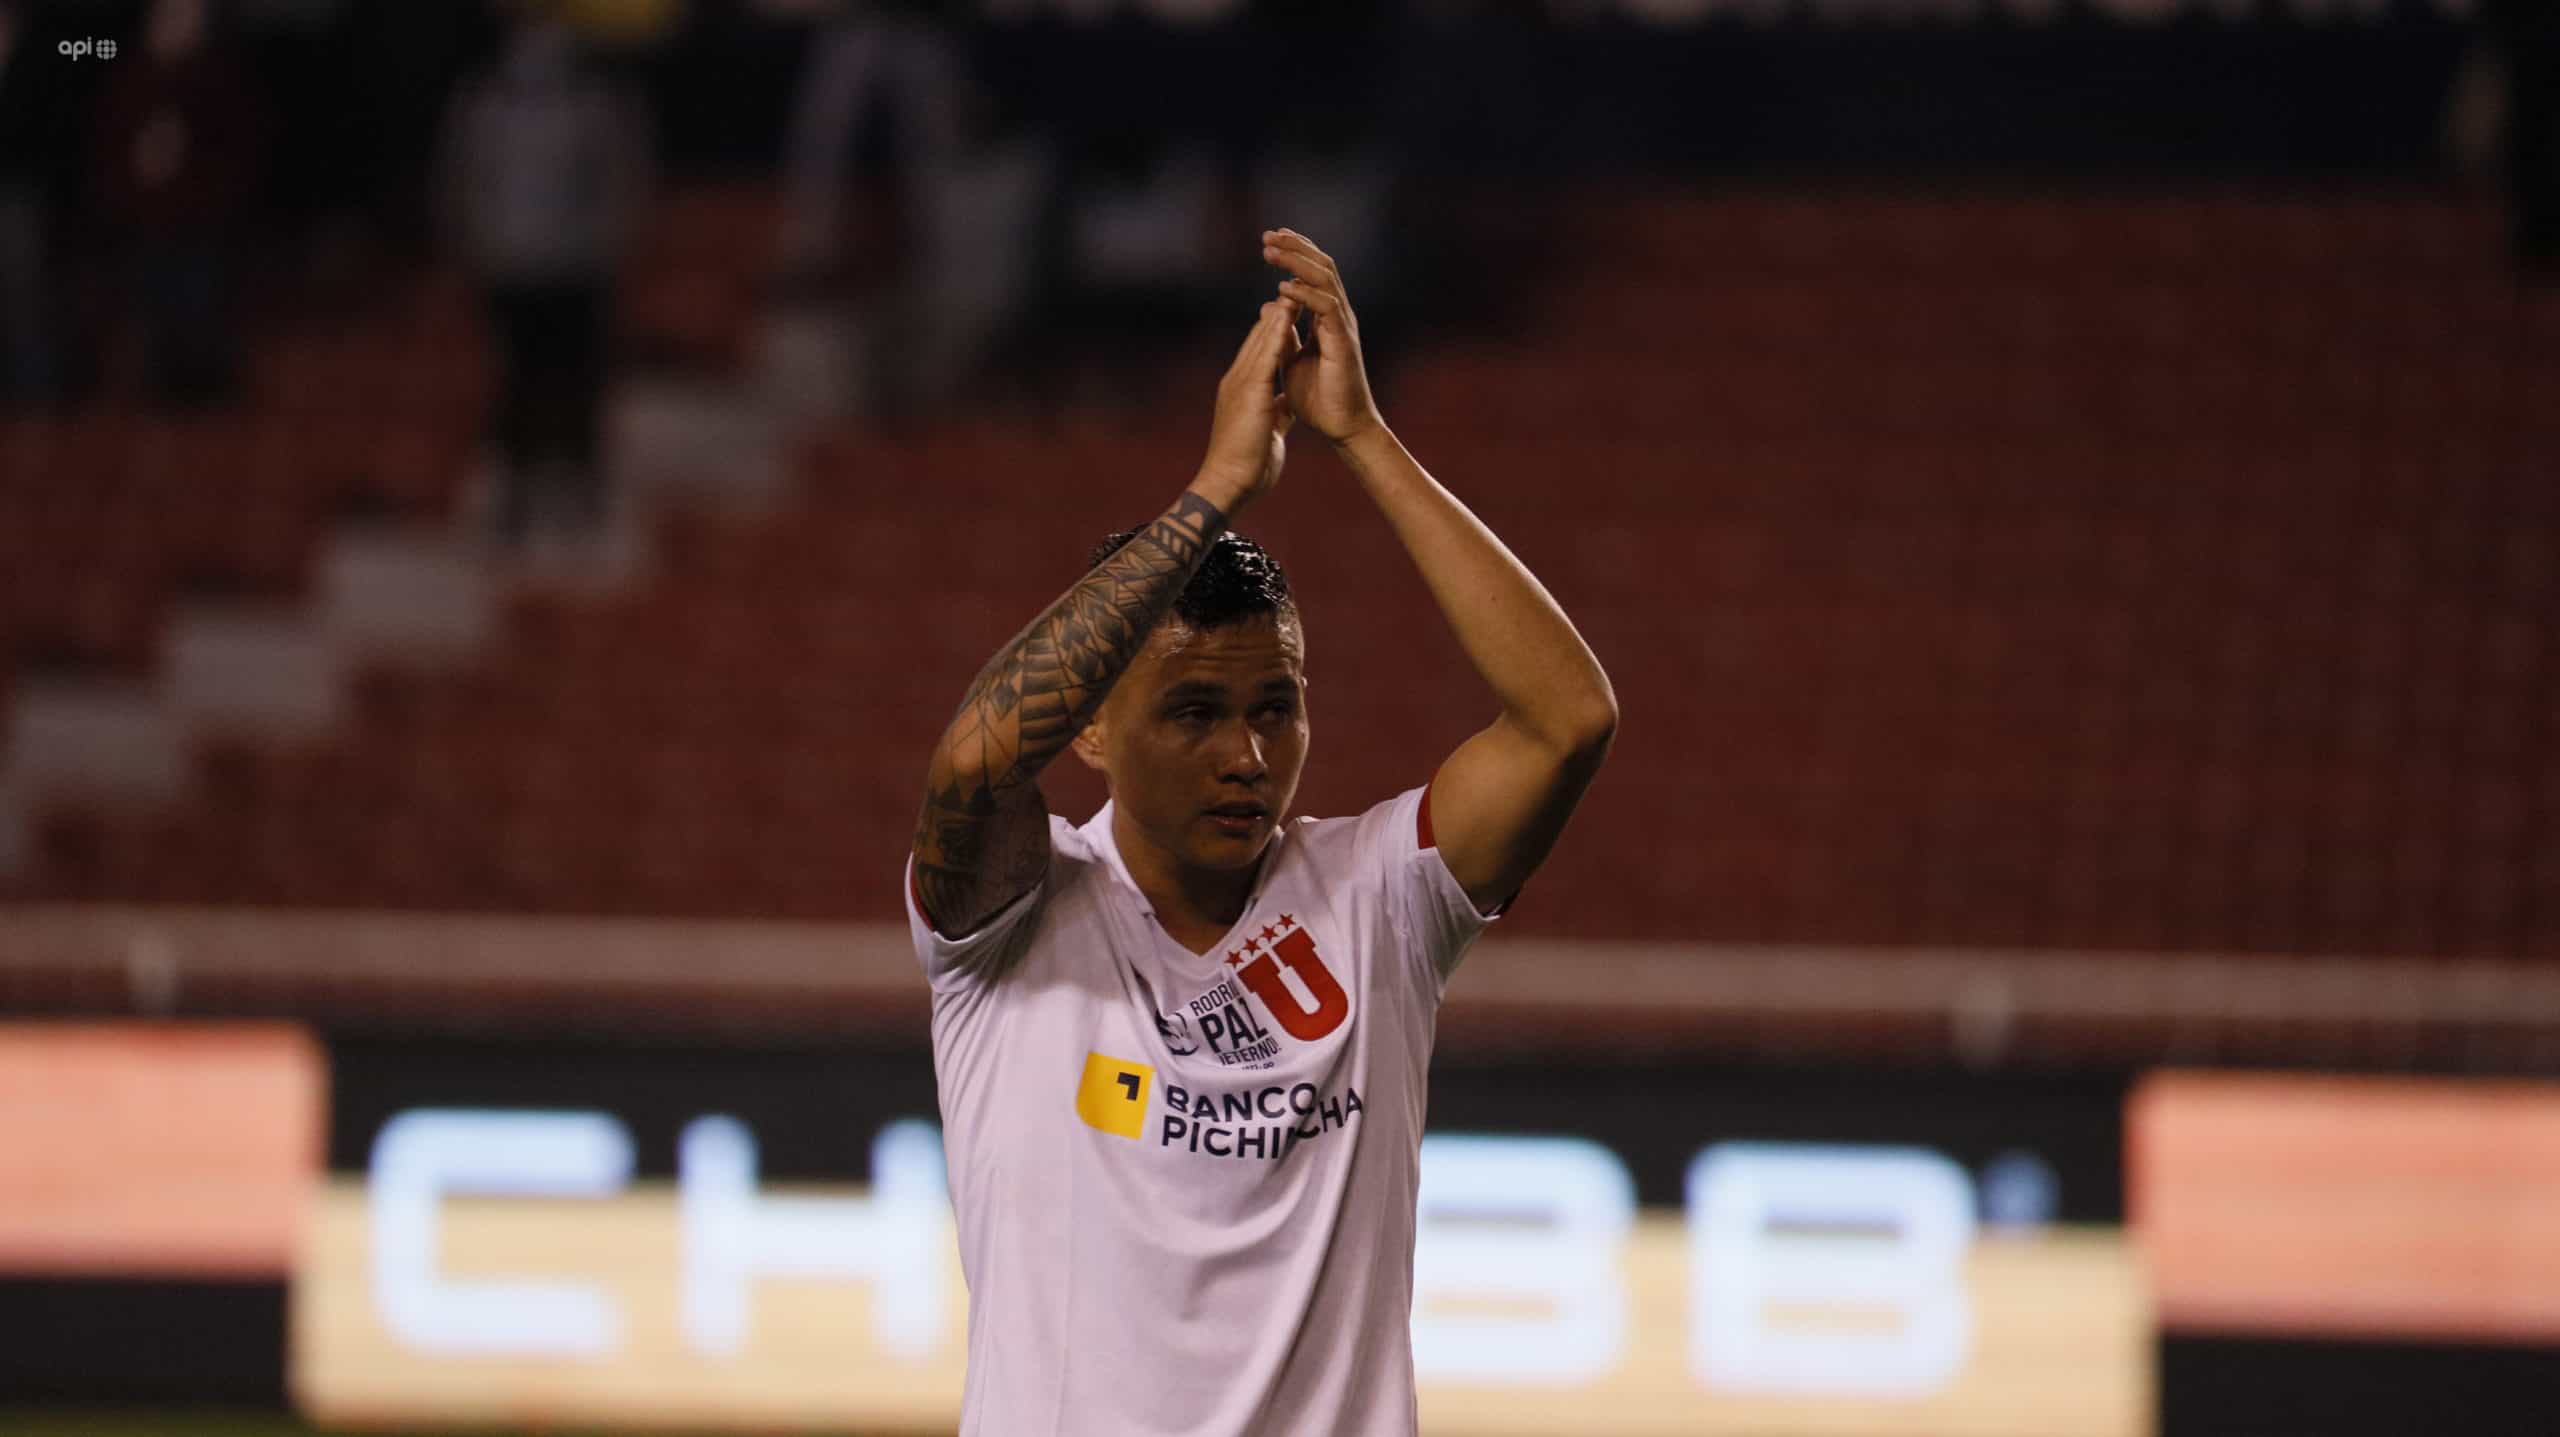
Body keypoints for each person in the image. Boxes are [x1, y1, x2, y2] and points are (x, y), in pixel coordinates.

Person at [904, 229, 1618, 1437]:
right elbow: (975, 761)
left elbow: (1568, 720)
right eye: (1193, 711)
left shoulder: (1378, 897)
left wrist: (1362, 438)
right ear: (1090, 728)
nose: (1246, 755)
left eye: (1274, 708)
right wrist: (1217, 488)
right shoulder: (1014, 918)